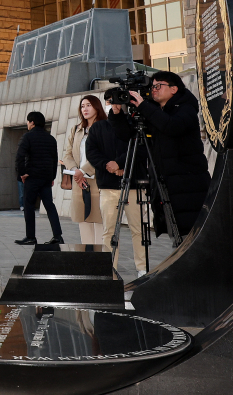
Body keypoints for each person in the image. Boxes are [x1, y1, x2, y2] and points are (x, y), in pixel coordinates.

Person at [119, 71, 211, 238]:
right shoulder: (155, 112)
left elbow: (171, 126)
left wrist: (145, 107)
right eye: (152, 86)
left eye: (158, 86)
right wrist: (118, 114)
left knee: (191, 237)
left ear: (174, 89)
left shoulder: (185, 109)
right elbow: (128, 135)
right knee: (176, 240)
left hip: (188, 187)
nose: (153, 90)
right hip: (166, 186)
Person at [87, 90, 147, 277]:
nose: (115, 104)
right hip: (108, 186)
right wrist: (108, 166)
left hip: (134, 186)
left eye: (119, 100)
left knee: (138, 229)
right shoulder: (97, 128)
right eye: (110, 101)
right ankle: (109, 268)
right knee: (109, 231)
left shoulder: (134, 124)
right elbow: (92, 152)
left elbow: (140, 149)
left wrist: (120, 164)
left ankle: (142, 268)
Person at [60, 95, 107, 246]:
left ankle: (102, 262)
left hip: (98, 180)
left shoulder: (105, 127)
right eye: (82, 106)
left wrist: (84, 170)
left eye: (88, 105)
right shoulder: (76, 129)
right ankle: (88, 263)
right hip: (79, 182)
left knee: (100, 223)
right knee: (83, 222)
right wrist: (76, 171)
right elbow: (67, 155)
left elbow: (104, 154)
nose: (85, 109)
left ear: (97, 107)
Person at [16, 111, 62, 245]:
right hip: (46, 178)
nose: (27, 124)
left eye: (28, 121)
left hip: (32, 177)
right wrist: (52, 176)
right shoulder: (51, 138)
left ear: (32, 122)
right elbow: (55, 159)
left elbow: (19, 157)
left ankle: (31, 237)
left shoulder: (28, 137)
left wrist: (22, 173)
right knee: (49, 206)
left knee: (29, 205)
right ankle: (58, 236)